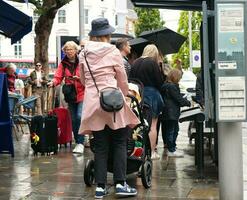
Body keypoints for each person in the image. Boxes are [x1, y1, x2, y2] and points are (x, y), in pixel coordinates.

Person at [78, 18, 140, 199]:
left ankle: (100, 187)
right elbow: (121, 77)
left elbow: (82, 79)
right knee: (120, 141)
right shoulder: (113, 51)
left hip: (92, 102)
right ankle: (120, 184)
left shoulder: (83, 53)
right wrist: (125, 93)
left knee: (100, 145)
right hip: (112, 101)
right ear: (107, 34)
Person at [48, 41, 85, 154]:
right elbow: (58, 77)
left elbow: (88, 76)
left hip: (82, 92)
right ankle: (78, 142)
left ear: (76, 50)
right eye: (66, 50)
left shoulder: (82, 61)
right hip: (70, 94)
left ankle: (81, 142)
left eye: (71, 49)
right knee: (73, 119)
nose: (69, 51)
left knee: (79, 116)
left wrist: (78, 78)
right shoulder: (63, 64)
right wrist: (53, 82)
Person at [130, 44, 165, 160]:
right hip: (152, 95)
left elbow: (130, 79)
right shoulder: (152, 63)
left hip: (138, 94)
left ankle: (139, 150)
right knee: (152, 125)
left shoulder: (135, 63)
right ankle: (151, 152)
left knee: (139, 124)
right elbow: (160, 82)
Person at [161, 69, 191, 157]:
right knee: (173, 131)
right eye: (179, 77)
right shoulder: (172, 86)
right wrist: (187, 102)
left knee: (170, 130)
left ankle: (171, 148)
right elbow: (178, 98)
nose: (180, 79)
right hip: (171, 112)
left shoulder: (165, 85)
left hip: (166, 112)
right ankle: (172, 150)